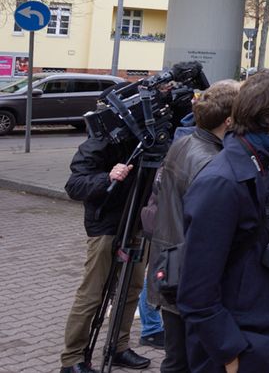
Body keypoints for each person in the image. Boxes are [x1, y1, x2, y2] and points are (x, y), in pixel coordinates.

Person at [178, 70, 269, 372]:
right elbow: (196, 290)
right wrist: (230, 354)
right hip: (241, 346)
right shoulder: (221, 182)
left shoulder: (267, 165)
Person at [145, 80, 239, 372]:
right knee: (191, 359)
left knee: (176, 358)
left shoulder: (183, 143)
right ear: (229, 120)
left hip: (171, 266)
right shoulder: (212, 163)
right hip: (190, 273)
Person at [61, 123, 149, 373]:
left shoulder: (148, 139)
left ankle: (118, 347)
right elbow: (74, 185)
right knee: (92, 294)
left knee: (131, 288)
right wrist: (107, 177)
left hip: (136, 223)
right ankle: (72, 359)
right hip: (106, 226)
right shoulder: (100, 140)